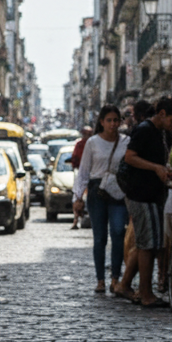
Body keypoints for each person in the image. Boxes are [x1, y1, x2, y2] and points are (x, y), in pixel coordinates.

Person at [121, 97, 172, 307]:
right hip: (141, 194)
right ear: (162, 113)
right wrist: (155, 168)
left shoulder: (162, 133)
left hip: (153, 194)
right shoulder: (145, 129)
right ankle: (146, 293)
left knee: (147, 243)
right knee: (148, 245)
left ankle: (125, 284)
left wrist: (166, 171)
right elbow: (130, 157)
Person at [73, 104, 129, 294]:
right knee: (100, 238)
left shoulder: (126, 141)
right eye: (109, 120)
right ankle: (100, 280)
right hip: (97, 191)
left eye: (116, 120)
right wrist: (78, 196)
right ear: (102, 122)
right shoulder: (93, 143)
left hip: (118, 190)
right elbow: (84, 172)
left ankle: (115, 278)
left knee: (118, 232)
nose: (113, 124)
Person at [69, 126, 94, 229]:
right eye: (85, 134)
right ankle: (76, 220)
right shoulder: (80, 144)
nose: (86, 136)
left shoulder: (93, 144)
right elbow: (75, 158)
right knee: (77, 196)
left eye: (88, 134)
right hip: (82, 173)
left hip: (93, 174)